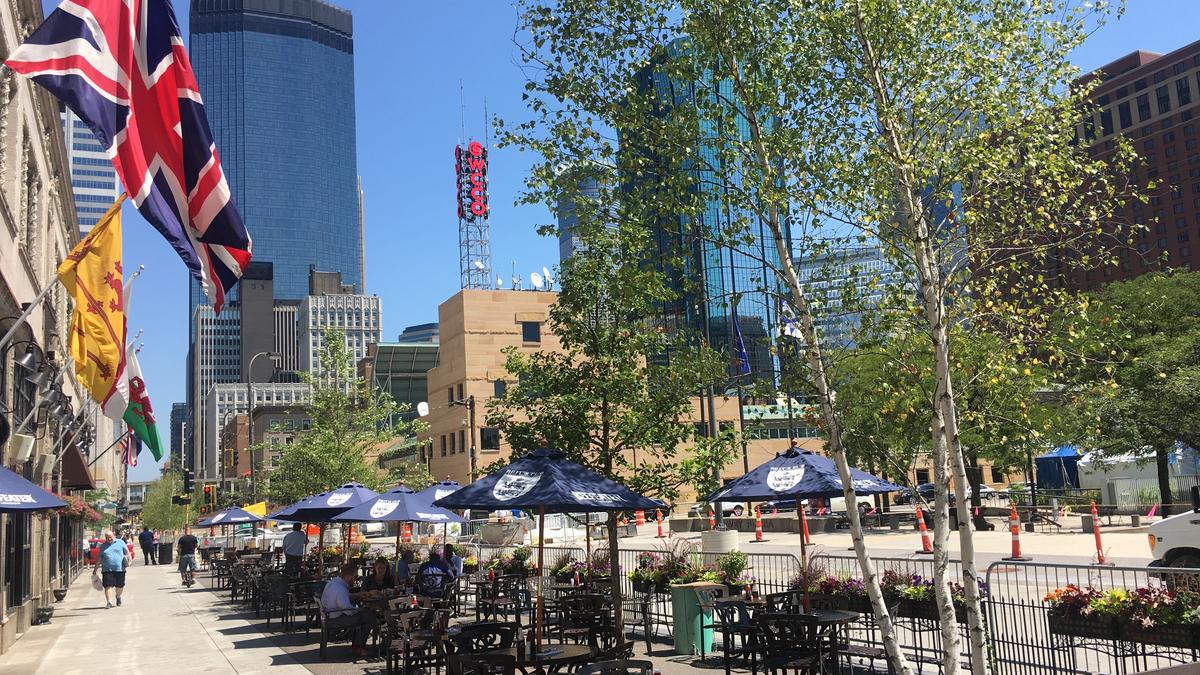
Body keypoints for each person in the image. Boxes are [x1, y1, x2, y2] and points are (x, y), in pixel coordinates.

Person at [320, 562, 379, 657]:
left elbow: (341, 599)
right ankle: (358, 648)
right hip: (333, 620)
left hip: (328, 616)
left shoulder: (334, 582)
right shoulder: (340, 589)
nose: (355, 580)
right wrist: (361, 609)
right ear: (349, 576)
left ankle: (357, 645)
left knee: (363, 614)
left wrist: (357, 595)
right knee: (367, 616)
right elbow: (348, 610)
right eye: (355, 577)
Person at [93, 530, 130, 609]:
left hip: (120, 569)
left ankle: (118, 596)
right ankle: (109, 602)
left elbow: (127, 552)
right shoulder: (103, 546)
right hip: (107, 569)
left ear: (113, 535)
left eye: (110, 537)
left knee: (120, 585)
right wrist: (95, 570)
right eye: (107, 537)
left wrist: (129, 560)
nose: (108, 539)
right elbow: (99, 559)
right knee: (108, 585)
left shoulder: (120, 542)